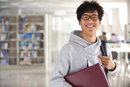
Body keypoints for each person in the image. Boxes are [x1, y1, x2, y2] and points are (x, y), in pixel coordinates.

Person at [50, 1, 119, 87]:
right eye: (85, 17)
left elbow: (107, 78)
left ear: (100, 21)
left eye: (94, 17)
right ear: (79, 22)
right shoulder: (68, 49)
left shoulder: (105, 48)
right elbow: (55, 80)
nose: (90, 20)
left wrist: (113, 68)